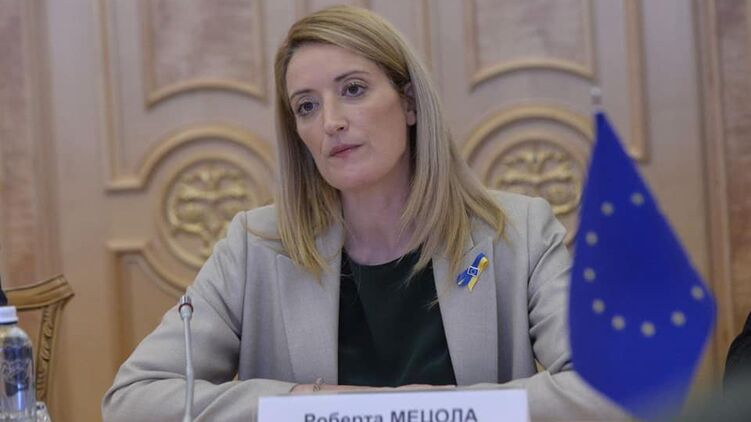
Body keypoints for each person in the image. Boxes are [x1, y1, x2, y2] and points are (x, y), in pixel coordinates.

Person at [102, 5, 625, 421]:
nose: (330, 122)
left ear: (410, 103)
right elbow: (133, 399)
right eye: (307, 106)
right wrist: (306, 404)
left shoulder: (519, 231)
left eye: (352, 90)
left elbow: (609, 388)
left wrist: (447, 412)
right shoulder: (255, 244)